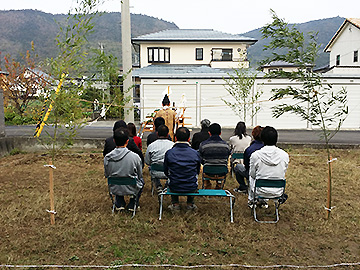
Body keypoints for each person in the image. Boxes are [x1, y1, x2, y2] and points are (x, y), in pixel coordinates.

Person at [104, 127, 144, 211]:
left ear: (114, 141)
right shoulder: (135, 157)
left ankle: (119, 202)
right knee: (141, 181)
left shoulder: (107, 157)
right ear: (127, 141)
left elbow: (107, 174)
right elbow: (140, 175)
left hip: (114, 187)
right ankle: (133, 203)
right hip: (132, 187)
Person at [248, 126, 289, 207]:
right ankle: (264, 202)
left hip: (259, 190)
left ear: (262, 138)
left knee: (251, 176)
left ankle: (252, 202)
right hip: (278, 191)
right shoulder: (284, 155)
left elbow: (252, 174)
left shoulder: (256, 155)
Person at [164, 127, 201, 211]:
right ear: (189, 139)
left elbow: (166, 171)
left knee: (171, 176)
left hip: (174, 185)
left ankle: (175, 204)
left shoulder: (169, 153)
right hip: (191, 185)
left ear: (175, 138)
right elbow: (197, 171)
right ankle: (190, 204)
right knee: (193, 176)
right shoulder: (195, 153)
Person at [199, 123, 231, 189]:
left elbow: (201, 159)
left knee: (206, 169)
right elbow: (226, 158)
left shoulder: (203, 145)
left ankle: (207, 185)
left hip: (208, 171)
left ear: (209, 133)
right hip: (222, 171)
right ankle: (219, 184)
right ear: (220, 133)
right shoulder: (226, 145)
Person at [233, 125, 264, 194]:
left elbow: (246, 165)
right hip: (265, 173)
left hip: (252, 173)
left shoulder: (250, 149)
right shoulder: (266, 148)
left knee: (238, 167)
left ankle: (243, 186)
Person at [145, 124, 174, 194]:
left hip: (155, 172)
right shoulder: (173, 145)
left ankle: (158, 186)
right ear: (168, 134)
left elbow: (147, 162)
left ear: (157, 134)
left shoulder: (151, 146)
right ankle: (167, 185)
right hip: (170, 173)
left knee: (151, 167)